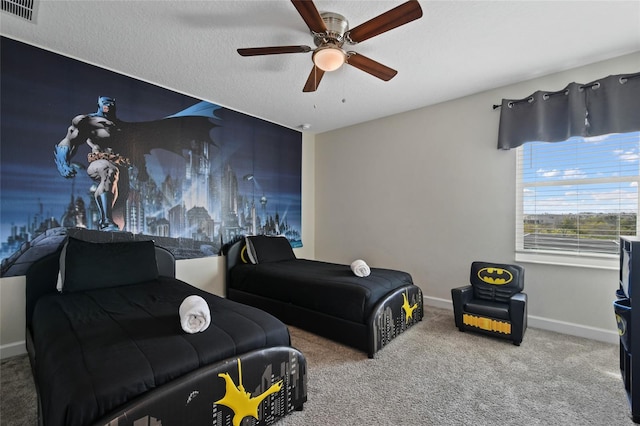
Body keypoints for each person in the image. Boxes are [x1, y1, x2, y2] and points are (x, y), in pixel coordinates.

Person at [54, 96, 129, 231]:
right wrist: (63, 163)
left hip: (122, 169)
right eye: (106, 105)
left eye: (111, 105)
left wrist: (143, 170)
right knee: (109, 170)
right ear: (100, 105)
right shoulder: (88, 121)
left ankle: (112, 229)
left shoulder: (121, 127)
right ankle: (105, 221)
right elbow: (69, 140)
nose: (108, 107)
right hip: (100, 163)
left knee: (120, 217)